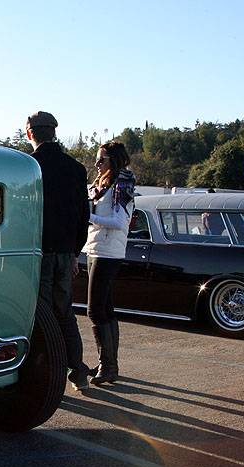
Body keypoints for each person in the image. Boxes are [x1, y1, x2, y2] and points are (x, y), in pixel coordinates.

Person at [26, 111, 91, 391]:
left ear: (30, 134)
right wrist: (75, 252)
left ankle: (41, 372)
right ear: (55, 132)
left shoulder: (29, 167)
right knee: (64, 313)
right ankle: (78, 371)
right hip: (66, 252)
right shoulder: (76, 169)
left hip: (36, 253)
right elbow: (82, 215)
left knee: (38, 314)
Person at [84, 141, 136, 385]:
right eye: (97, 159)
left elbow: (119, 221)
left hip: (109, 252)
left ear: (114, 161)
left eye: (102, 159)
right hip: (97, 248)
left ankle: (108, 365)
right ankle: (108, 363)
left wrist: (90, 217)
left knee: (95, 309)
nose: (97, 163)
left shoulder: (121, 185)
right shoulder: (102, 185)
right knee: (105, 308)